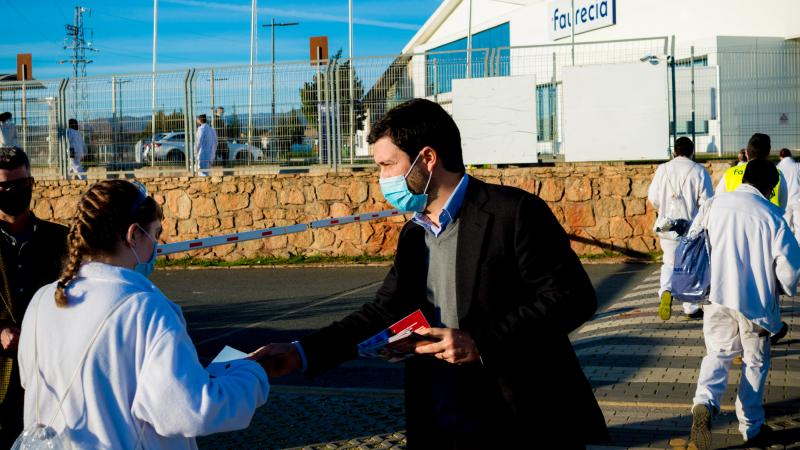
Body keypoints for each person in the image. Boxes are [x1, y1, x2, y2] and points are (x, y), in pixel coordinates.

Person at [252, 99, 608, 448]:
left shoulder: (513, 212)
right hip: (440, 416)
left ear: (427, 158)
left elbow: (572, 298)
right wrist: (301, 352)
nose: (382, 179)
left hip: (521, 418)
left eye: (387, 165)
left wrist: (480, 342)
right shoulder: (414, 234)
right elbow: (383, 312)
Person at [17, 180, 269, 449]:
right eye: (155, 234)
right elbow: (190, 409)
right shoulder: (145, 309)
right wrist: (253, 374)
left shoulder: (42, 300)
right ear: (134, 234)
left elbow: (32, 381)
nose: (156, 246)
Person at [688, 160, 800, 450]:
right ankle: (751, 426)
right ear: (771, 187)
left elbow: (693, 240)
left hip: (716, 296)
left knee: (718, 352)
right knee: (755, 361)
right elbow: (790, 268)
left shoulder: (713, 205)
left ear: (743, 178)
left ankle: (704, 402)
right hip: (755, 304)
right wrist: (784, 288)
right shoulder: (773, 216)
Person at [0, 147, 68, 448]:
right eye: (4, 187)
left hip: (50, 382)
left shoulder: (60, 240)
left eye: (21, 184)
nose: (14, 192)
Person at [647, 137, 713, 321]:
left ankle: (665, 291)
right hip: (691, 228)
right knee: (690, 265)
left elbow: (653, 198)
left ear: (674, 151)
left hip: (667, 227)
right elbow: (707, 202)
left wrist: (665, 208)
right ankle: (690, 307)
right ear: (692, 151)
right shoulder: (699, 171)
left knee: (669, 262)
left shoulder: (662, 169)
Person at [715, 133, 787, 209]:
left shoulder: (730, 173)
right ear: (768, 154)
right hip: (770, 214)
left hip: (734, 214)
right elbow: (783, 204)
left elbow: (718, 199)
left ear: (746, 153)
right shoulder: (776, 174)